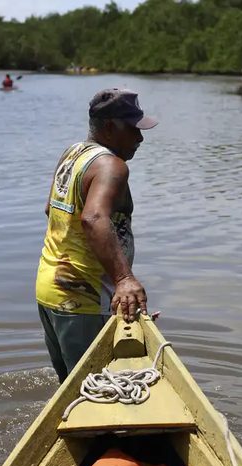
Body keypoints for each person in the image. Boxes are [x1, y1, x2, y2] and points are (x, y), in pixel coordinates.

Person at [35, 88, 158, 382]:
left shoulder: (73, 154)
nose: (140, 139)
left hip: (51, 290)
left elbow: (49, 210)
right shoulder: (111, 166)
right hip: (85, 299)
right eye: (132, 129)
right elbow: (93, 218)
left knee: (74, 393)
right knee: (98, 397)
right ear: (109, 127)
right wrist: (124, 280)